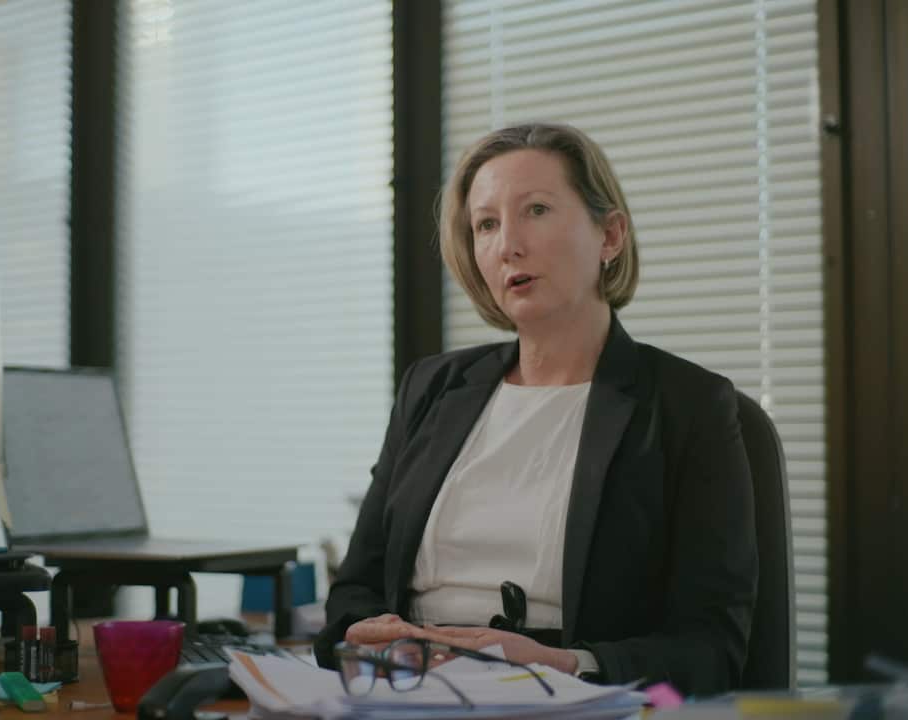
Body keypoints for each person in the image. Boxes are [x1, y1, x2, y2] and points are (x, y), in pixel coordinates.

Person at [315, 122, 758, 696]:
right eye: (486, 224)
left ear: (611, 235)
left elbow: (711, 648)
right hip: (408, 691)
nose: (508, 245)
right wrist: (364, 632)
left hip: (567, 698)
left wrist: (566, 663)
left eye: (538, 210)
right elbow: (354, 591)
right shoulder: (430, 389)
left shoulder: (687, 404)